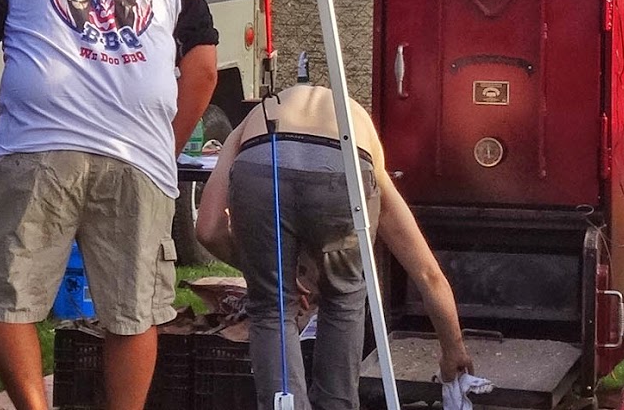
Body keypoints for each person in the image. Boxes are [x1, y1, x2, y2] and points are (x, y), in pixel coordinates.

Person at [0, 0, 219, 410]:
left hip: (37, 142)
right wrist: (164, 147)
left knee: (6, 296)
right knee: (134, 309)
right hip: (136, 150)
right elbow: (206, 67)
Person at [195, 85, 472, 410]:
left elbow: (209, 229)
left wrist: (264, 275)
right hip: (344, 167)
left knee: (273, 307)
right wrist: (453, 351)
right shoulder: (364, 139)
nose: (309, 295)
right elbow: (428, 274)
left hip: (262, 156)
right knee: (344, 300)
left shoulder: (254, 118)